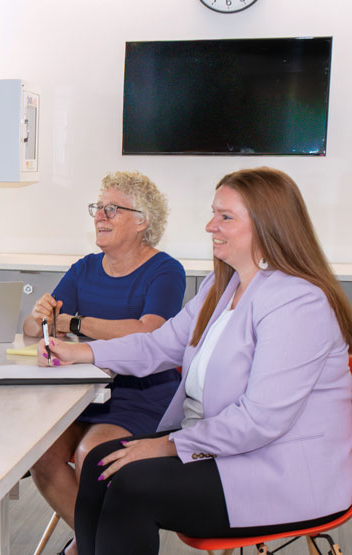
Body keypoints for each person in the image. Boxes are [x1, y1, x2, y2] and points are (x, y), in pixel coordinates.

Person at [39, 167, 352, 555]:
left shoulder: (298, 302)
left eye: (225, 217)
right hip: (225, 449)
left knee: (129, 484)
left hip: (279, 472)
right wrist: (79, 351)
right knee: (103, 461)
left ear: (267, 225)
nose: (209, 226)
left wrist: (168, 445)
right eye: (213, 213)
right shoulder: (223, 286)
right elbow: (159, 344)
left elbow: (260, 422)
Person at [22, 171, 185, 553]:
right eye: (98, 208)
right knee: (41, 458)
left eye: (112, 209)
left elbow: (148, 333)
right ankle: (94, 543)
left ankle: (85, 546)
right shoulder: (84, 268)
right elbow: (37, 328)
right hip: (82, 392)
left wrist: (75, 322)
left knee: (90, 455)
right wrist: (40, 316)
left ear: (142, 221)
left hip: (140, 394)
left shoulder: (165, 270)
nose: (100, 216)